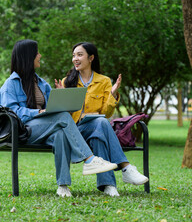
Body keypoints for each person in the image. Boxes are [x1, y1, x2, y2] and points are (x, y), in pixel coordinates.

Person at [0, 39, 118, 197]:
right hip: (23, 130)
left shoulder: (41, 83)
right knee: (61, 118)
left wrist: (63, 98)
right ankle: (89, 159)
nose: (40, 55)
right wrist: (38, 113)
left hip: (45, 129)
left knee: (61, 134)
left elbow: (55, 109)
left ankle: (63, 185)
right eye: (37, 53)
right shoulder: (11, 84)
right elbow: (11, 111)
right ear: (28, 57)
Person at [55, 42, 149, 197]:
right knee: (101, 125)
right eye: (73, 55)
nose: (75, 59)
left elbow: (106, 113)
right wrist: (63, 96)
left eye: (79, 55)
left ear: (91, 58)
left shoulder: (104, 81)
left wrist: (112, 95)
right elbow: (62, 115)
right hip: (72, 131)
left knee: (100, 128)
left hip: (93, 128)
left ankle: (109, 185)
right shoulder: (67, 81)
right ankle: (126, 168)